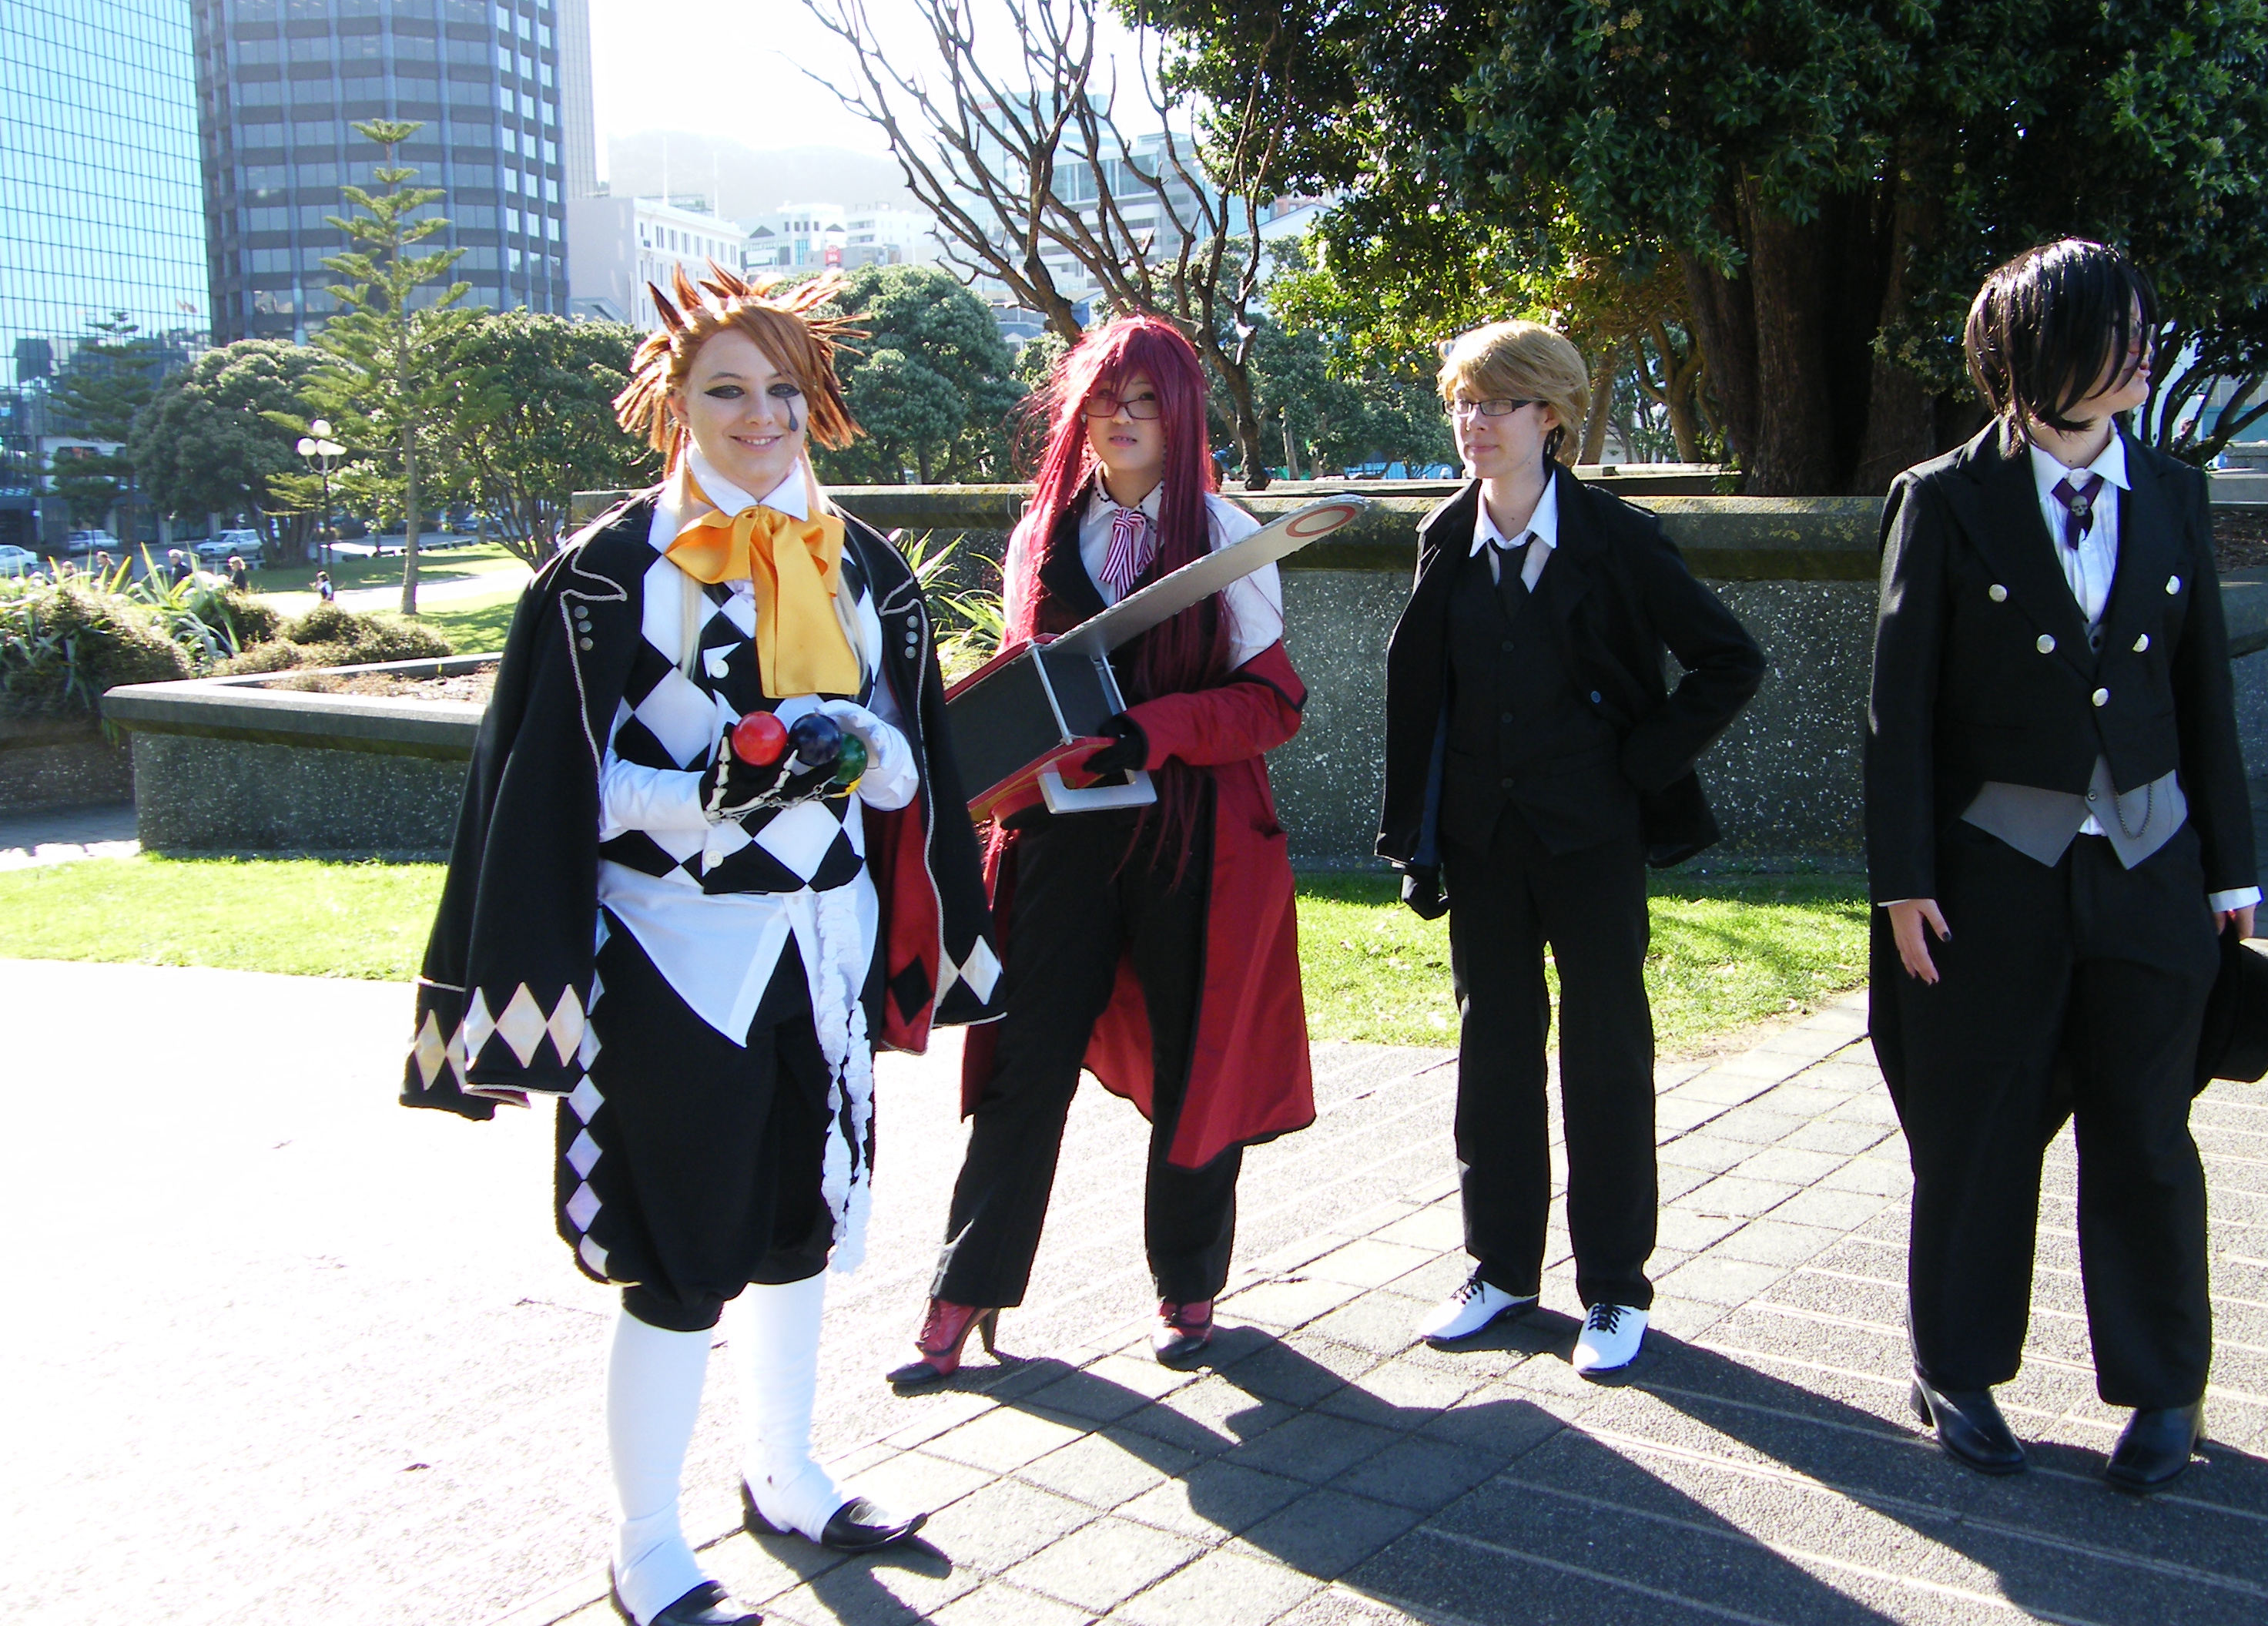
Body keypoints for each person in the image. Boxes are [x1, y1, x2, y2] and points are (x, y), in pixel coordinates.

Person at [400, 263, 1001, 1626]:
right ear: (674, 402)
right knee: (678, 1258)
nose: (761, 415)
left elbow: (913, 765)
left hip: (822, 948)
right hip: (673, 960)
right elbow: (564, 785)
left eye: (783, 388)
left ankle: (784, 1472)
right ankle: (646, 1545)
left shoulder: (863, 566)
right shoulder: (607, 578)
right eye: (728, 389)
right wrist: (719, 790)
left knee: (801, 1220)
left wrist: (873, 753)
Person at [1866, 237, 2260, 1492]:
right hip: (1992, 876)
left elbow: (2204, 695)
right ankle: (1956, 1367)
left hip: (2151, 866)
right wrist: (1902, 880)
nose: (2143, 354)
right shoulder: (1942, 498)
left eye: (2145, 330)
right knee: (1978, 1132)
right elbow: (1897, 708)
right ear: (2039, 349)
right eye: (2115, 333)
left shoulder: (2176, 490)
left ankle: (2165, 1387)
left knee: (2147, 1133)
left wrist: (2232, 874)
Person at [891, 313, 1312, 1382]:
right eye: (1103, 402)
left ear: (1181, 416)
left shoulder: (1228, 537)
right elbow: (1025, 679)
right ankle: (963, 1292)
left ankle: (1189, 1285)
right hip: (1058, 845)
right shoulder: (1042, 533)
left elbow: (1271, 705)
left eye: (1145, 402)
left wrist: (1154, 728)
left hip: (1195, 844)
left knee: (1193, 1064)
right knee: (1022, 1062)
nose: (1121, 420)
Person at [1379, 321, 1764, 1377]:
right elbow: (1427, 694)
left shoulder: (1617, 538)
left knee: (1605, 1057)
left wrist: (1637, 766)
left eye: (1498, 404)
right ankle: (1501, 1268)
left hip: (1593, 841)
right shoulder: (1444, 536)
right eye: (1464, 403)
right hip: (1482, 842)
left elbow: (1730, 661)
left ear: (1551, 415)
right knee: (1493, 1055)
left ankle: (1614, 1290)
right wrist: (1419, 835)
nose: (1475, 422)